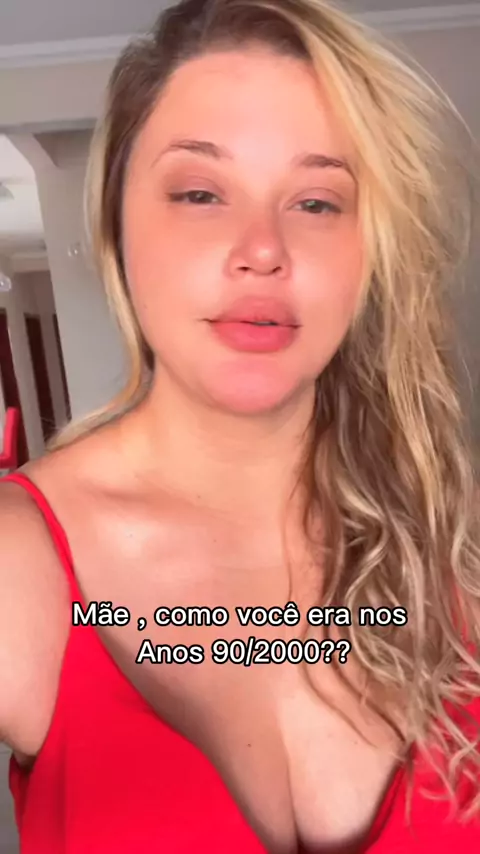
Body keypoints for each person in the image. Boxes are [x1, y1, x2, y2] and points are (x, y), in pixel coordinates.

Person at [1, 0, 479, 850]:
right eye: (200, 193)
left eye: (318, 202)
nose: (263, 248)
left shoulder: (455, 543)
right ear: (114, 225)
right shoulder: (20, 564)